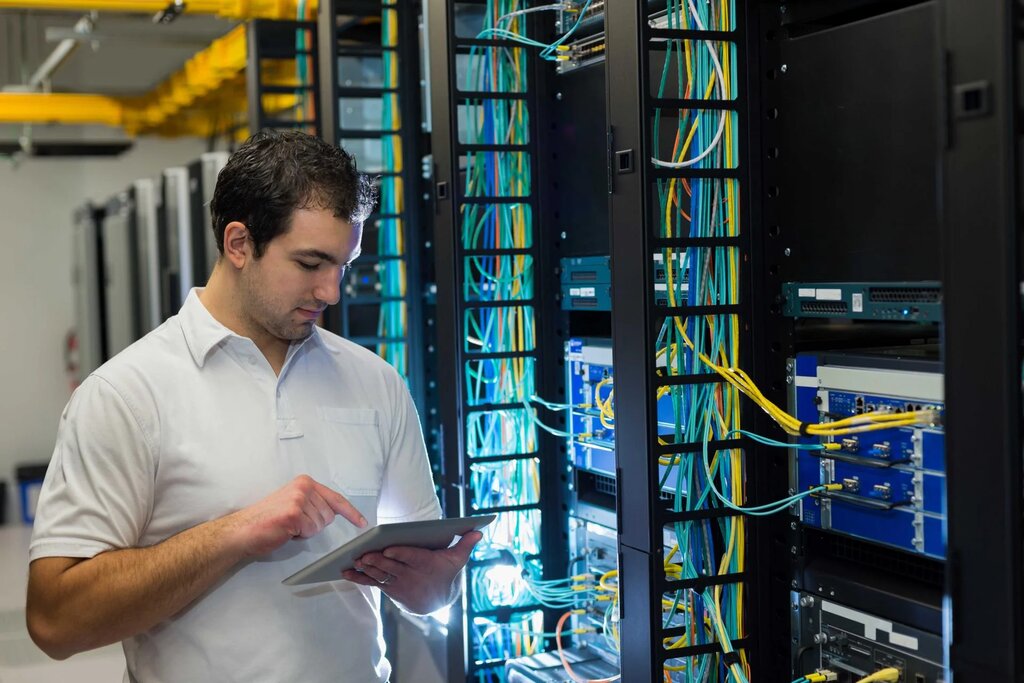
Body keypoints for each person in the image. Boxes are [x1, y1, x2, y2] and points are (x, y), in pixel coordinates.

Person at [26, 130, 480, 682]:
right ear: (239, 243)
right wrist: (235, 533)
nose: (332, 292)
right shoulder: (126, 394)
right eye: (311, 263)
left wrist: (432, 583)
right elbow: (54, 621)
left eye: (344, 264)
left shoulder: (377, 383)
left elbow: (430, 597)